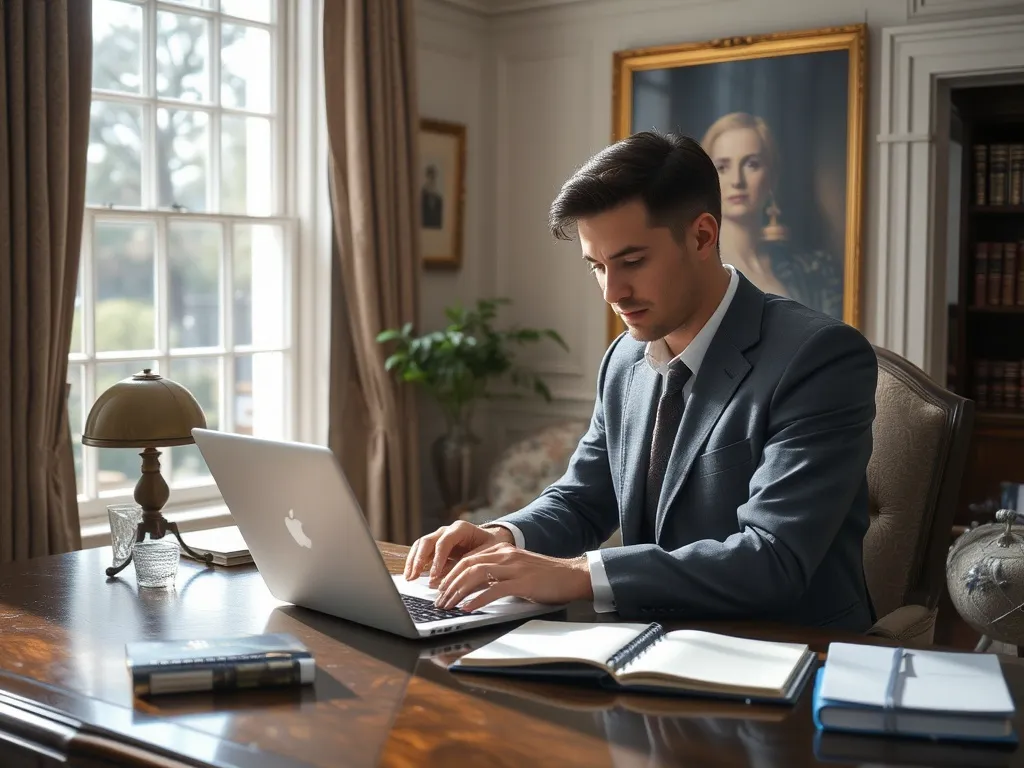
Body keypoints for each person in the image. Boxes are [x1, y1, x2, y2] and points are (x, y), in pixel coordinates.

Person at [403, 130, 878, 632]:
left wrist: (579, 574)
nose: (613, 291)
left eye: (631, 262)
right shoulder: (624, 358)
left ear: (702, 236)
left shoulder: (819, 357)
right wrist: (503, 536)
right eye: (597, 267)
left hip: (787, 652)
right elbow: (583, 499)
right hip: (650, 642)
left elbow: (773, 557)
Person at [701, 112, 843, 320]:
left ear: (771, 178)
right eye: (722, 167)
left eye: (751, 164)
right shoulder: (695, 273)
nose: (737, 181)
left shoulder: (812, 269)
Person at [421, 164, 443, 229]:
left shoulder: (439, 199)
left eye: (433, 178)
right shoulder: (420, 198)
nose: (431, 181)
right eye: (429, 178)